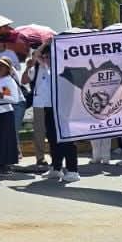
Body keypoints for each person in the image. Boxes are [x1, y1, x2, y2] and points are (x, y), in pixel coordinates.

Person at [27, 44, 78, 182]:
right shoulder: (43, 68)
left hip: (62, 108)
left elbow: (71, 90)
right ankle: (56, 168)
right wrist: (45, 43)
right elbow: (36, 54)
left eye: (48, 57)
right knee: (53, 139)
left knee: (66, 139)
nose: (45, 59)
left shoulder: (63, 69)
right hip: (48, 108)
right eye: (44, 57)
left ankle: (73, 170)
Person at [0, 58, 22, 174]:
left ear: (8, 68)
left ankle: (6, 165)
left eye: (3, 65)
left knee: (5, 140)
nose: (0, 67)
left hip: (5, 112)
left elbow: (14, 99)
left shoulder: (8, 81)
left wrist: (1, 95)